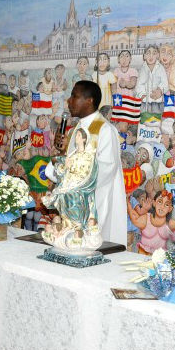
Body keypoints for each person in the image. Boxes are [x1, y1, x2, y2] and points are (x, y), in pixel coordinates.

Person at [48, 80, 127, 245]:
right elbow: (65, 168)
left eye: (74, 96)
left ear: (89, 100)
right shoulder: (77, 129)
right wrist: (62, 153)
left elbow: (107, 170)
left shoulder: (104, 130)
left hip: (95, 204)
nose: (69, 101)